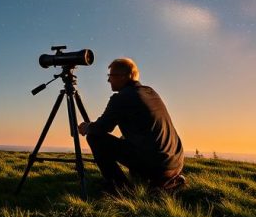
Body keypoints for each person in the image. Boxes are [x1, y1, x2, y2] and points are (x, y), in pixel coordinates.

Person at [77, 57, 185, 193]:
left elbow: (101, 128)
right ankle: (165, 181)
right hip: (175, 163)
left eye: (111, 76)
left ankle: (119, 188)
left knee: (94, 138)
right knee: (124, 138)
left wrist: (87, 127)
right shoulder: (149, 91)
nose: (108, 80)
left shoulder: (121, 98)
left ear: (124, 77)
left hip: (157, 167)